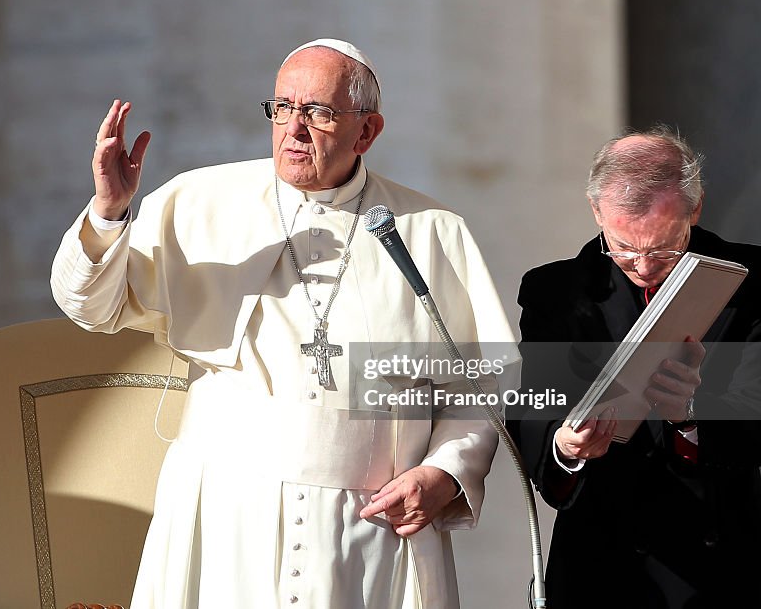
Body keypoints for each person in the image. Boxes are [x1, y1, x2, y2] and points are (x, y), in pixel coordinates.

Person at [51, 39, 518, 608]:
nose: (293, 128)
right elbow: (89, 306)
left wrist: (446, 470)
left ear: (366, 132)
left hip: (370, 526)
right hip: (222, 515)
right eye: (282, 107)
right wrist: (108, 213)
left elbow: (483, 383)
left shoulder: (430, 232)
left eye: (318, 113)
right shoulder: (198, 201)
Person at [512, 127, 761, 607]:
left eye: (663, 248)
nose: (643, 266)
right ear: (597, 213)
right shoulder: (556, 291)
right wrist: (566, 446)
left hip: (721, 561)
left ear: (696, 208)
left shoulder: (751, 281)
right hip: (602, 561)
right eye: (624, 247)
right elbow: (534, 404)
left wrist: (692, 413)